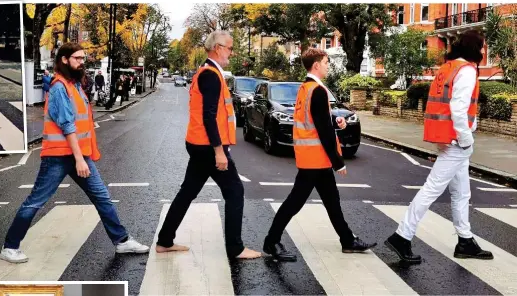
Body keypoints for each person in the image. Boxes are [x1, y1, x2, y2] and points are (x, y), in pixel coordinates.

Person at [0, 43, 150, 263]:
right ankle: (9, 247)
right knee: (35, 201)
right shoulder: (60, 87)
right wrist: (80, 159)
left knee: (102, 197)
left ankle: (122, 241)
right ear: (64, 59)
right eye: (77, 58)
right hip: (59, 157)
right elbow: (67, 125)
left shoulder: (74, 84)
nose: (82, 62)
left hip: (78, 154)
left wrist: (82, 156)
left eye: (83, 58)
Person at [385, 30, 493, 264]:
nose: (484, 51)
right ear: (473, 47)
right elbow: (458, 109)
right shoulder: (466, 71)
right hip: (456, 141)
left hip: (445, 138)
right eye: (482, 46)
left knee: (462, 192)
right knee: (432, 189)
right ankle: (402, 235)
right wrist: (466, 140)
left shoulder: (448, 68)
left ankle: (465, 240)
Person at [156, 30, 262, 260]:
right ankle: (235, 248)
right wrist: (219, 152)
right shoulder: (211, 75)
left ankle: (165, 241)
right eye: (229, 48)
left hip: (198, 143)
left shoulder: (206, 72)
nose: (232, 53)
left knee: (188, 192)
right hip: (208, 146)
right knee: (235, 191)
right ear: (217, 48)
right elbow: (209, 115)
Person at [263, 48, 377, 262]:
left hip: (313, 157)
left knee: (332, 200)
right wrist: (338, 161)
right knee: (294, 202)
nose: (328, 65)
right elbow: (323, 130)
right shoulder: (317, 90)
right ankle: (271, 241)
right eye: (326, 62)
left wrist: (336, 120)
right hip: (315, 159)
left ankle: (347, 240)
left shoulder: (306, 88)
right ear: (316, 64)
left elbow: (318, 120)